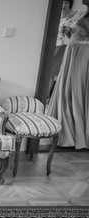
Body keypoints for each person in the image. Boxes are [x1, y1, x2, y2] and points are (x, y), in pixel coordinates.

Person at [46, 1, 89, 149]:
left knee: (77, 91)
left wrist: (78, 31)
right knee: (66, 90)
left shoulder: (78, 15)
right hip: (72, 54)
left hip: (81, 56)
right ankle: (63, 128)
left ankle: (76, 133)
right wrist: (70, 31)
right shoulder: (82, 14)